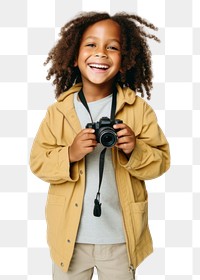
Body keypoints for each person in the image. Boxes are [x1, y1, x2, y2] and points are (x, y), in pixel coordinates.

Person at [30, 11, 170, 280]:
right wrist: (69, 154)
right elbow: (38, 162)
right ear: (74, 55)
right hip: (69, 239)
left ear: (125, 60)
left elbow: (161, 162)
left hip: (121, 237)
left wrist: (134, 150)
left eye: (113, 47)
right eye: (91, 44)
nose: (101, 53)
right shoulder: (59, 112)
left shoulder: (138, 109)